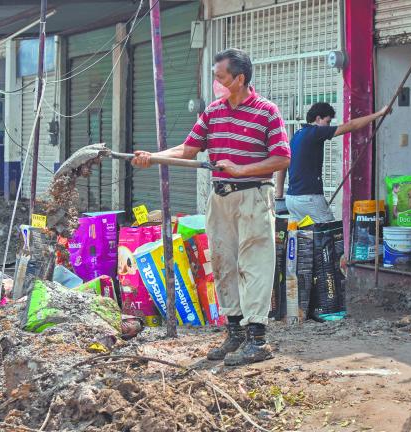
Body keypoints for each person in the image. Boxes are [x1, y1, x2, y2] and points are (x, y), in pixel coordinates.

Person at [131, 48, 290, 366]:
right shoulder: (213, 113)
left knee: (254, 265)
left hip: (253, 196)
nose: (216, 82)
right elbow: (188, 150)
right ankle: (234, 332)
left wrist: (242, 169)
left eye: (220, 77)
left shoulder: (267, 112)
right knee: (222, 264)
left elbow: (282, 157)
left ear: (239, 78)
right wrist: (154, 157)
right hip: (220, 199)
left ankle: (257, 339)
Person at [275, 102, 390, 222]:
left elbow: (282, 166)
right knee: (330, 234)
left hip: (291, 200)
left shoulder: (296, 136)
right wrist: (379, 114)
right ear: (318, 119)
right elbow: (351, 125)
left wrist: (279, 194)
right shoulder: (316, 132)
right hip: (308, 198)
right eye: (328, 121)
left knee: (303, 237)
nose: (328, 125)